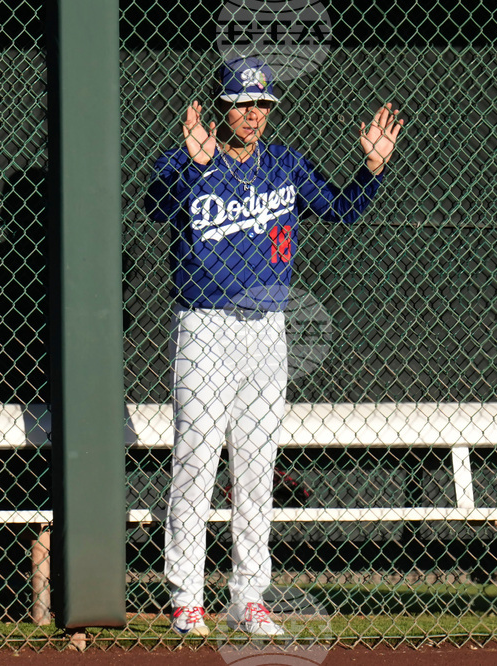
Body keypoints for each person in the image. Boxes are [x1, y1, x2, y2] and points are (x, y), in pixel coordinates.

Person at [144, 56, 402, 637]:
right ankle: (186, 597)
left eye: (261, 104)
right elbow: (153, 208)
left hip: (267, 329)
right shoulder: (192, 157)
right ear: (221, 107)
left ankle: (249, 595)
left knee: (258, 468)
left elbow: (343, 209)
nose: (253, 114)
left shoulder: (284, 165)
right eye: (242, 103)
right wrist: (193, 165)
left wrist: (373, 169)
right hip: (206, 327)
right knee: (196, 459)